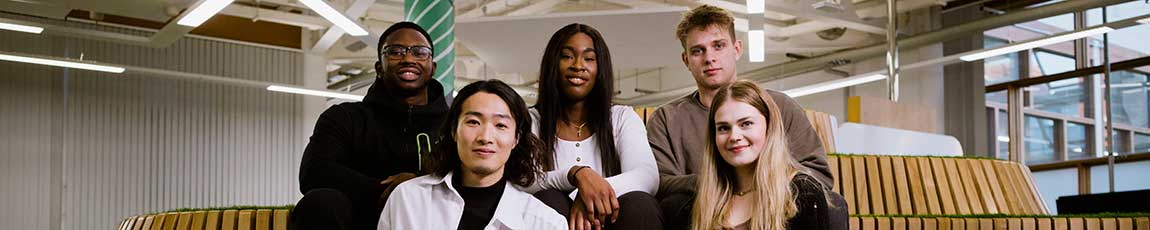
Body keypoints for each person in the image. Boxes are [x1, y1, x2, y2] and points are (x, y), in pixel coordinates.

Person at [648, 5, 835, 229]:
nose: (709, 58)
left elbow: (818, 174)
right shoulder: (667, 119)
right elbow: (658, 182)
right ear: (686, 59)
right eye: (698, 51)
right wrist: (721, 183)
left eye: (718, 46)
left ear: (737, 49)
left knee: (833, 204)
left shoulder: (780, 106)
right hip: (702, 211)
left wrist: (757, 187)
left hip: (775, 207)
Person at [291, 22, 446, 229]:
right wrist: (386, 189)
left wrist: (413, 187)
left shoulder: (454, 123)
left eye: (420, 52)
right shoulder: (344, 117)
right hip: (363, 218)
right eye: (396, 52)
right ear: (379, 68)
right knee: (321, 201)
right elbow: (315, 171)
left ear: (432, 68)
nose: (408, 59)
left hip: (435, 218)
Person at [524, 23, 662, 230]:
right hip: (561, 221)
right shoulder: (530, 120)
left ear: (601, 69)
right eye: (567, 56)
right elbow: (523, 180)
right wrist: (577, 175)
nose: (578, 65)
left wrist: (591, 193)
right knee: (548, 199)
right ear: (552, 64)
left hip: (613, 221)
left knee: (640, 204)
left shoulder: (621, 117)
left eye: (589, 58)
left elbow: (647, 176)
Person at [378, 80, 566, 230]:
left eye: (500, 125)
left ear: (516, 139)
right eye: (474, 122)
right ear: (453, 131)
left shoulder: (545, 223)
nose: (485, 137)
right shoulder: (409, 199)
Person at [692, 80, 846, 230]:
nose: (734, 136)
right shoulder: (707, 199)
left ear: (769, 127)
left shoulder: (803, 193)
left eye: (746, 124)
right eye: (723, 128)